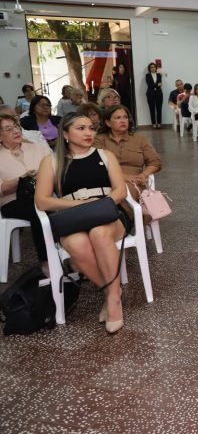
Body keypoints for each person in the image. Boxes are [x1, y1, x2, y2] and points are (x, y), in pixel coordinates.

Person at [34, 112, 129, 334]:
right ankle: (110, 292)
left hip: (107, 213)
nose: (88, 133)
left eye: (91, 128)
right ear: (65, 133)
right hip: (74, 217)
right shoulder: (52, 161)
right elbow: (42, 200)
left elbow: (120, 191)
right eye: (81, 128)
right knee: (76, 244)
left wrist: (100, 206)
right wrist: (81, 205)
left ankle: (114, 301)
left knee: (99, 234)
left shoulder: (105, 155)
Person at [0, 113, 51, 266]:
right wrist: (22, 179)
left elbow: (56, 169)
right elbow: (1, 189)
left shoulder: (38, 147)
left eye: (16, 126)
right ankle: (47, 262)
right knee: (39, 210)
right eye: (8, 129)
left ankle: (71, 254)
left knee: (54, 206)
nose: (16, 131)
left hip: (44, 195)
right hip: (12, 201)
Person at [95, 105, 162, 202]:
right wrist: (125, 177)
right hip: (107, 179)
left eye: (125, 117)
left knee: (129, 192)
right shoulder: (99, 140)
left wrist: (144, 174)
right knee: (120, 191)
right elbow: (95, 164)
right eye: (118, 118)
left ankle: (124, 216)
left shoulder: (139, 140)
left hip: (135, 181)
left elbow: (155, 162)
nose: (123, 121)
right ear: (108, 122)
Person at [144, 62, 163, 129]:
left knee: (159, 109)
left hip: (159, 94)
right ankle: (154, 123)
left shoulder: (159, 75)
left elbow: (160, 85)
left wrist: (156, 85)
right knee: (152, 109)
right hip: (150, 94)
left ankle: (159, 123)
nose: (153, 68)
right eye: (151, 67)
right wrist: (156, 85)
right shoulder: (147, 75)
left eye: (154, 67)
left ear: (156, 68)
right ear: (149, 69)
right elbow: (149, 85)